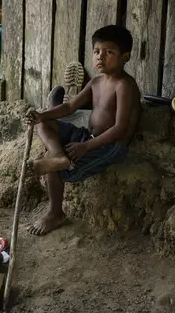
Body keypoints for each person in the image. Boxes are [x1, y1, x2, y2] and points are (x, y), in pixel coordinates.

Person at [24, 25, 141, 236]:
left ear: (125, 56)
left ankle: (55, 213)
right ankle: (58, 155)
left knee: (55, 170)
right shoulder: (95, 82)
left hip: (111, 146)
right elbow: (69, 107)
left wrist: (86, 146)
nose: (101, 57)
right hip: (89, 137)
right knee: (45, 123)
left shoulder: (125, 85)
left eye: (109, 52)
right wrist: (42, 115)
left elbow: (120, 128)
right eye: (97, 52)